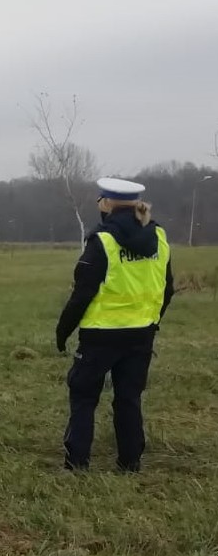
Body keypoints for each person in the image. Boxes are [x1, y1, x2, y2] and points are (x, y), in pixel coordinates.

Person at [55, 177, 174, 473]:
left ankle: (77, 463)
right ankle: (130, 462)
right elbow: (167, 287)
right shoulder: (158, 236)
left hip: (100, 335)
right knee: (129, 399)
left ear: (107, 203)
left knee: (83, 396)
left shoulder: (103, 241)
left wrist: (63, 330)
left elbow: (82, 292)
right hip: (142, 334)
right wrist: (152, 319)